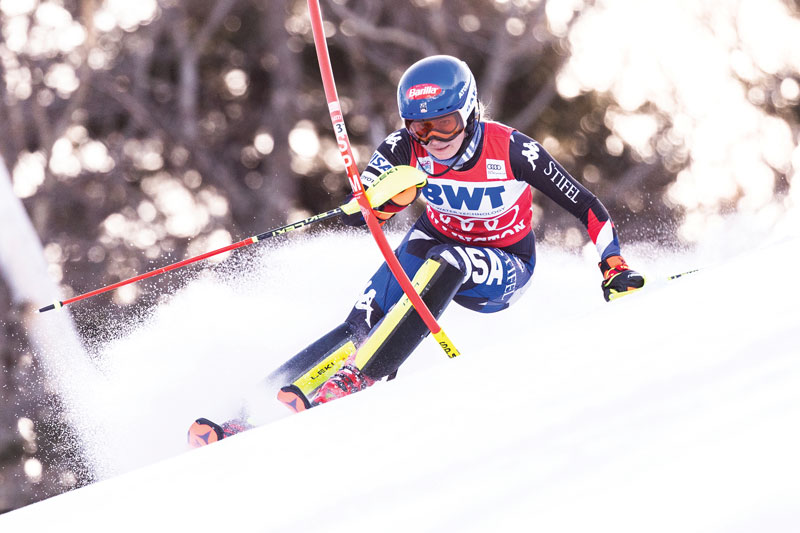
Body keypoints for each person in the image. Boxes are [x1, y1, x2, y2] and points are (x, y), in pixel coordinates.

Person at [187, 55, 644, 447]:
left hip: (504, 266)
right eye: (420, 126)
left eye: (444, 124)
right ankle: (247, 413)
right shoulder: (404, 147)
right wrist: (377, 203)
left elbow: (588, 206)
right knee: (362, 319)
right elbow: (364, 209)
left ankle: (363, 375)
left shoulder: (513, 150)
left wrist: (613, 266)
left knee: (452, 261)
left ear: (470, 113)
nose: (433, 140)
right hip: (433, 240)